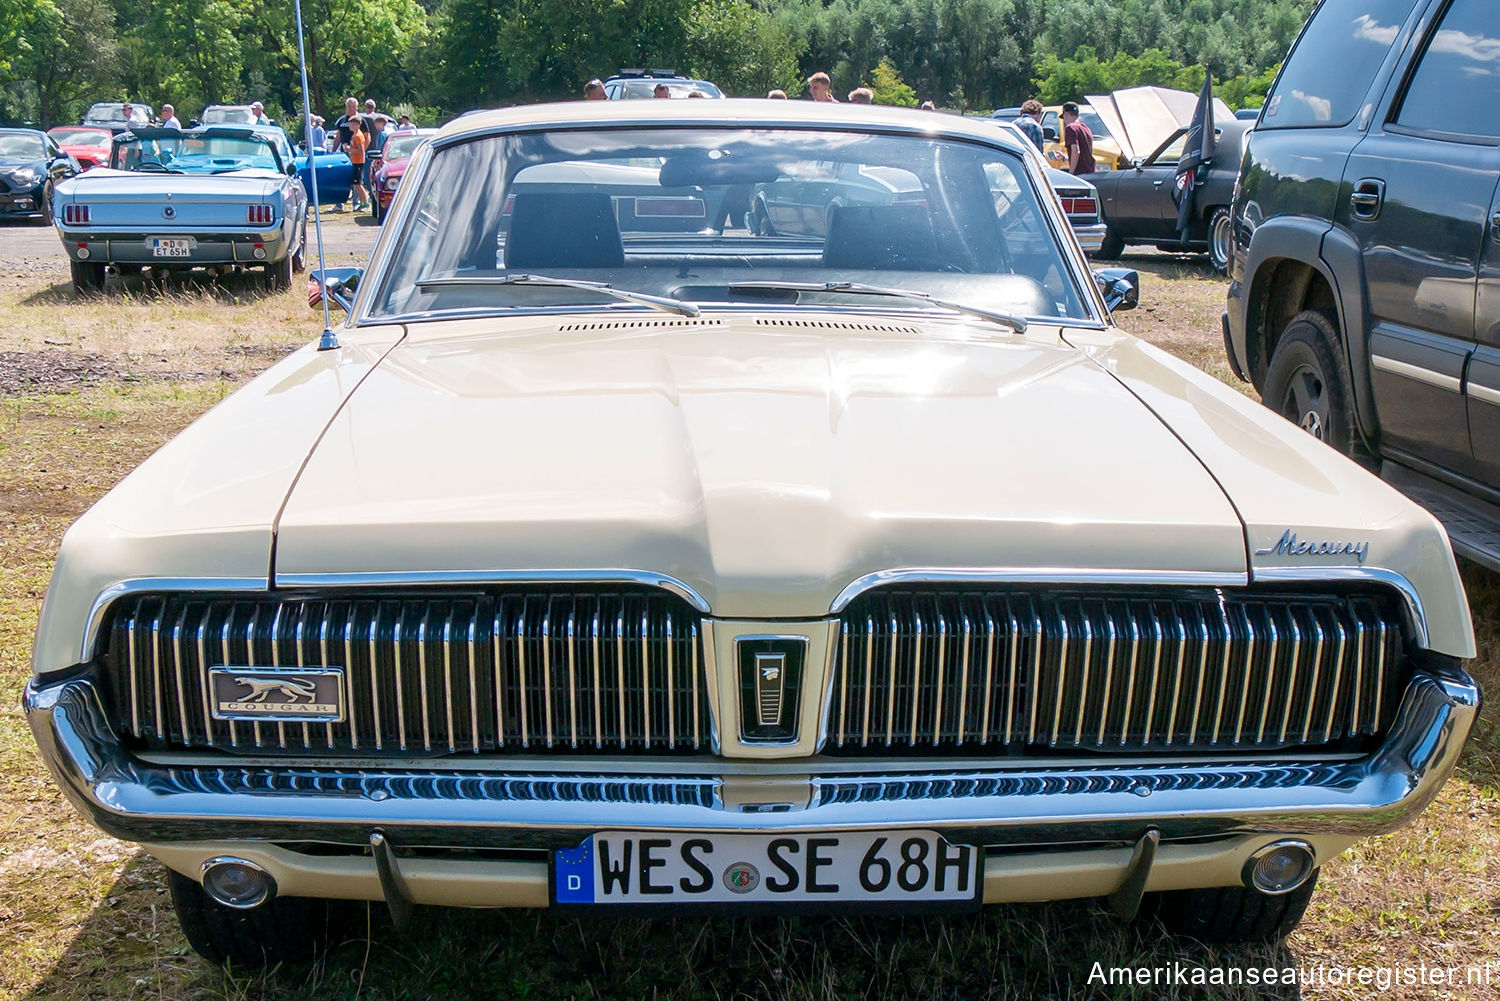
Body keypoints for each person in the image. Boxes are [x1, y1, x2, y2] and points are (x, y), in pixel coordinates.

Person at [1061, 101, 1096, 174]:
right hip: (1091, 172)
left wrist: (1071, 173)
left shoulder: (1070, 128)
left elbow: (1076, 151)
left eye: (1063, 117)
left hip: (1080, 174)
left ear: (1066, 114)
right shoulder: (1086, 128)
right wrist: (1065, 158)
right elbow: (1085, 155)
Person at [347, 116, 369, 211]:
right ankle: (362, 203)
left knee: (359, 184)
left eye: (352, 124)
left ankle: (365, 204)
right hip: (354, 161)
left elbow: (360, 150)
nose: (350, 125)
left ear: (357, 125)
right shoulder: (354, 135)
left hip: (358, 162)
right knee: (356, 184)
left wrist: (349, 149)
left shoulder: (358, 136)